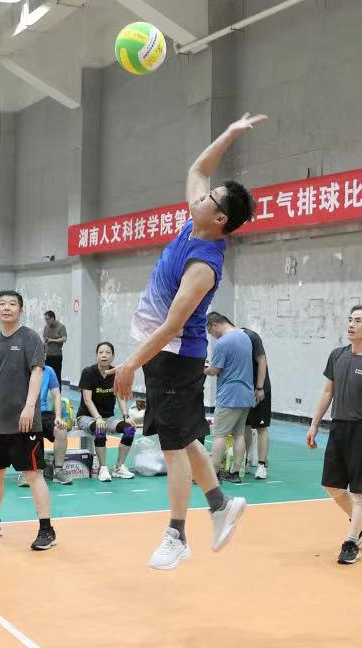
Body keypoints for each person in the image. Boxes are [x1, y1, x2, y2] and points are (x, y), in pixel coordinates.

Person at [112, 113, 263, 570]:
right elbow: (198, 168)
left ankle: (177, 535)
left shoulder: (204, 265)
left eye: (211, 198)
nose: (201, 195)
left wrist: (130, 364)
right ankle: (220, 505)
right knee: (187, 438)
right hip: (163, 354)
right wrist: (230, 134)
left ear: (220, 219)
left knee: (173, 447)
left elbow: (171, 326)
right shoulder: (194, 222)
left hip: (175, 357)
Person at [0, 290, 56, 551]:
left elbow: (37, 373)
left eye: (12, 304)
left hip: (24, 422)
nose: (7, 307)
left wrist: (29, 407)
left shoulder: (30, 338)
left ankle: (47, 530)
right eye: (2, 304)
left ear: (20, 309)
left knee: (33, 474)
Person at [306, 305, 362, 565]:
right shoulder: (337, 355)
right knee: (331, 485)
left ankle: (351, 541)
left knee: (361, 493)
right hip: (339, 428)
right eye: (350, 319)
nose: (351, 324)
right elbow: (327, 392)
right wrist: (314, 424)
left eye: (357, 321)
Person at [204, 313, 255, 484]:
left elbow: (215, 370)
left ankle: (213, 473)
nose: (212, 335)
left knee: (220, 435)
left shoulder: (223, 342)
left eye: (210, 331)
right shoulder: (245, 337)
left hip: (229, 395)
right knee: (239, 434)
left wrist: (204, 368)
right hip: (246, 394)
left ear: (215, 324)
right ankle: (234, 472)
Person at [77, 342, 136, 482]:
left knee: (130, 429)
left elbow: (120, 396)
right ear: (97, 355)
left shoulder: (116, 373)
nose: (104, 355)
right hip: (86, 417)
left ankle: (118, 467)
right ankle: (103, 468)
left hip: (108, 417)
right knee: (100, 429)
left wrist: (126, 416)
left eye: (108, 352)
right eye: (101, 352)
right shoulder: (88, 373)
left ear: (113, 356)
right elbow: (87, 400)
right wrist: (97, 418)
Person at [20, 362, 72, 486]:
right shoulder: (20, 370)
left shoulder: (49, 371)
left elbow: (56, 395)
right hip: (25, 413)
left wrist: (58, 417)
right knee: (26, 430)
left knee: (61, 429)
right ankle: (27, 471)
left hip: (44, 413)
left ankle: (58, 470)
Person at [240, 324, 271, 480]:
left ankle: (262, 464)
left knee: (261, 427)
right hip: (243, 390)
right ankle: (245, 461)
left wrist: (259, 387)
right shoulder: (229, 341)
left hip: (259, 390)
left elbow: (262, 360)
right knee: (245, 426)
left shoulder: (252, 337)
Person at [42, 311, 67, 384]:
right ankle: (46, 390)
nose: (46, 321)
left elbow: (64, 339)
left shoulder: (61, 327)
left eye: (47, 319)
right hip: (48, 355)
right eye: (45, 319)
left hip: (57, 355)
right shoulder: (46, 327)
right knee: (46, 375)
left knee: (56, 375)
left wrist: (52, 340)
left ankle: (58, 390)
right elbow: (44, 338)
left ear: (52, 318)